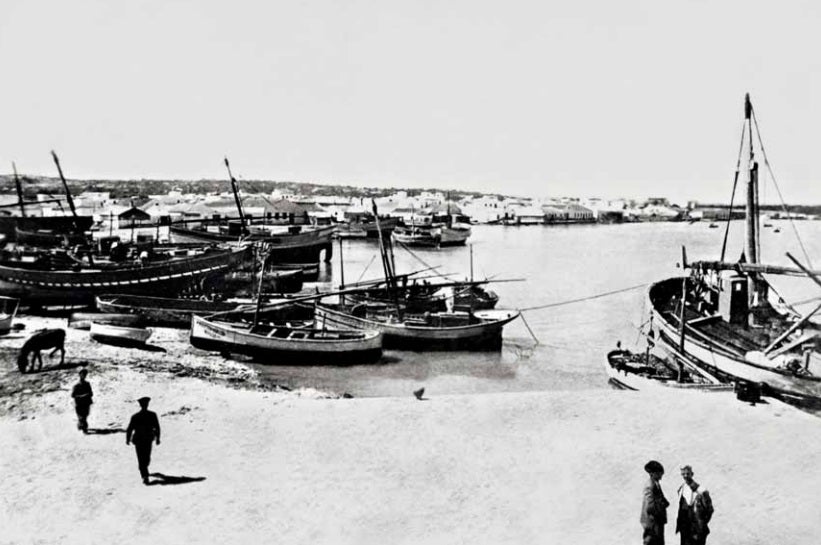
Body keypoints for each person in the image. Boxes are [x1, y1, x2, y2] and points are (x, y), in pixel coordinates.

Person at [126, 396, 161, 485]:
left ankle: (144, 471)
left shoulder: (138, 416)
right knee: (143, 458)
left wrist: (158, 438)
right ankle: (145, 476)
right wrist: (158, 438)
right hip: (144, 439)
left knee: (144, 458)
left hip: (143, 439)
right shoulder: (149, 415)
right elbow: (157, 427)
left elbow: (130, 429)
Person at [675, 465, 714, 545]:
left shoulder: (701, 491)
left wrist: (702, 522)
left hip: (697, 529)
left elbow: (709, 509)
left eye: (688, 473)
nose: (685, 476)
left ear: (692, 474)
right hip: (685, 529)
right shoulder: (681, 489)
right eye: (683, 474)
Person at [641, 460, 670, 545]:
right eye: (660, 474)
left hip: (657, 520)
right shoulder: (649, 485)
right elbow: (650, 505)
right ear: (652, 473)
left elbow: (661, 498)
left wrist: (665, 503)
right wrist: (660, 509)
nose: (661, 476)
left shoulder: (656, 484)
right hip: (653, 521)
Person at [70, 369, 93, 433]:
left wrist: (86, 395)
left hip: (86, 403)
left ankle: (81, 425)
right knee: (81, 416)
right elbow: (72, 395)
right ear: (79, 375)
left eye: (85, 375)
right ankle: (84, 427)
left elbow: (91, 393)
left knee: (85, 415)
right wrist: (81, 396)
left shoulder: (87, 384)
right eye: (82, 374)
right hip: (79, 403)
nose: (83, 376)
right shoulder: (76, 386)